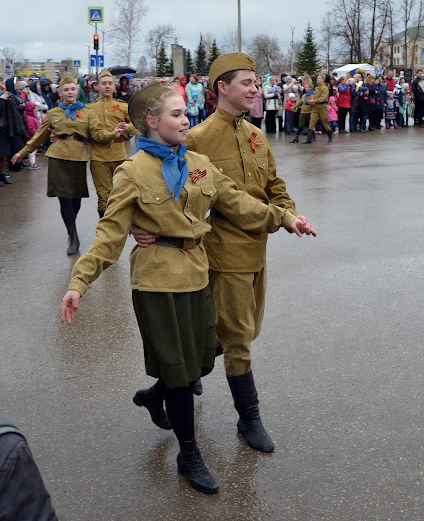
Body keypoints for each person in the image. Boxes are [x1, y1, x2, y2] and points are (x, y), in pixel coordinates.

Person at [60, 81, 314, 494]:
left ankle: (152, 396)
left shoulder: (198, 163)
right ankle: (188, 455)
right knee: (180, 376)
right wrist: (80, 281)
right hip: (157, 281)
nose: (186, 120)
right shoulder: (133, 171)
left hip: (198, 274)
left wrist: (284, 218)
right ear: (151, 121)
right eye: (176, 114)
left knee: (201, 365)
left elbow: (235, 201)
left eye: (185, 113)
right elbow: (109, 234)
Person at [131, 54, 317, 455]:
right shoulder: (196, 138)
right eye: (247, 83)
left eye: (256, 82)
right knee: (237, 340)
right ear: (221, 88)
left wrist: (290, 210)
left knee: (220, 338)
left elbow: (274, 184)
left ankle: (156, 393)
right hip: (221, 253)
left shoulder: (256, 134)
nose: (255, 89)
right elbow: (151, 179)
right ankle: (249, 417)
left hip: (258, 248)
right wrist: (135, 222)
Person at [11, 75, 127, 254]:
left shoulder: (88, 113)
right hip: (58, 158)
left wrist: (114, 134)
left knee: (76, 202)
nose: (70, 92)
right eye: (66, 89)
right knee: (64, 199)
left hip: (78, 159)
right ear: (61, 92)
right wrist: (22, 153)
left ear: (77, 90)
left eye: (73, 89)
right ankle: (73, 236)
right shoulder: (53, 113)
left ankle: (71, 226)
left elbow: (98, 135)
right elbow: (39, 136)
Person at [86, 70, 137, 218]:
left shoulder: (122, 106)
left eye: (110, 83)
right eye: (103, 84)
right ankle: (105, 228)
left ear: (114, 87)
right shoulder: (90, 108)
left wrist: (129, 128)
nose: (107, 86)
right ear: (97, 86)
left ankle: (119, 225)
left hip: (119, 155)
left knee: (120, 193)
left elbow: (137, 124)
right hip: (98, 157)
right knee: (104, 196)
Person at [305, 73, 333, 143]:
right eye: (317, 78)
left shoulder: (325, 88)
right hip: (315, 107)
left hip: (322, 107)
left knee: (325, 123)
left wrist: (314, 100)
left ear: (323, 79)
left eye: (319, 78)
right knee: (312, 122)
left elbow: (323, 98)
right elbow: (315, 96)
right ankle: (309, 139)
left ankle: (330, 136)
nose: (318, 80)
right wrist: (312, 100)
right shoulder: (316, 88)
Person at [23, 102, 41, 169]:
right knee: (32, 151)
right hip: (32, 137)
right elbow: (31, 128)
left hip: (34, 136)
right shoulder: (29, 118)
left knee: (34, 150)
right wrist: (36, 134)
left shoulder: (32, 117)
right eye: (34, 109)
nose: (35, 110)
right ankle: (32, 164)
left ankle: (32, 163)